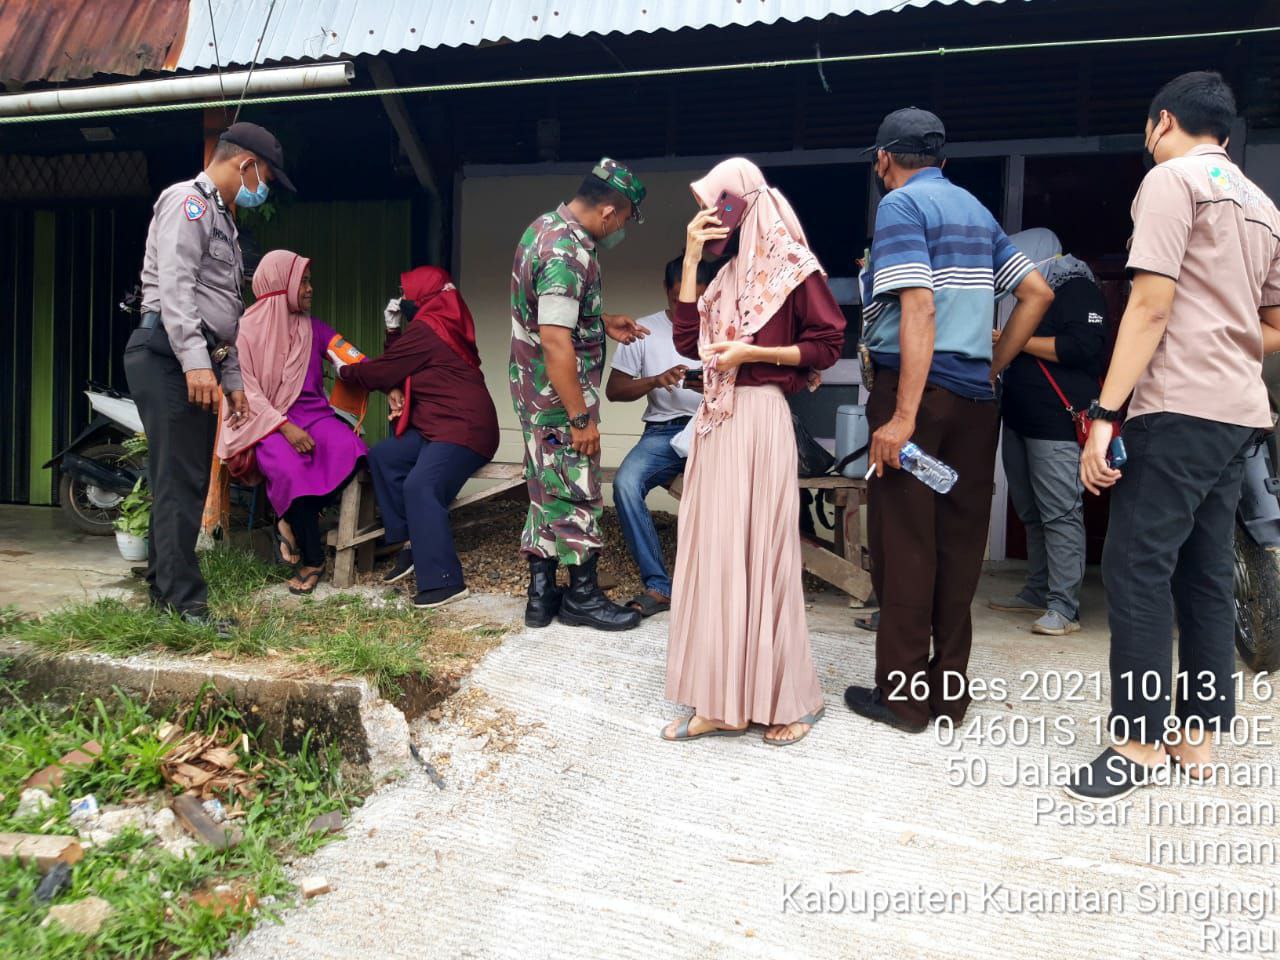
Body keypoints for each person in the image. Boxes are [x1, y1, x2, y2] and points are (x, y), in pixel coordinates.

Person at [1068, 72, 1280, 802]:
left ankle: (1137, 743)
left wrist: (1104, 412)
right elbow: (1275, 326)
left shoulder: (1171, 181)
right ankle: (1197, 737)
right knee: (1205, 572)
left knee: (1135, 567)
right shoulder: (1262, 205)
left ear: (1163, 122)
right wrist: (1223, 327)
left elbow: (1151, 304)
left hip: (1178, 405)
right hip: (1238, 412)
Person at [842, 107, 1054, 734]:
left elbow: (917, 306)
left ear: (885, 161)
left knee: (906, 544)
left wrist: (902, 415)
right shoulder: (976, 211)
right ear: (943, 161)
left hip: (919, 398)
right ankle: (949, 698)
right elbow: (1037, 292)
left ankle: (905, 703)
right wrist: (992, 366)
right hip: (974, 405)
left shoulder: (901, 208)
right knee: (960, 548)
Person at [662, 157, 846, 746]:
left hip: (761, 416)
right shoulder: (727, 274)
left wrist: (754, 356)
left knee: (763, 556)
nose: (712, 220)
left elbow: (826, 344)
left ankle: (790, 699)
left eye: (718, 209)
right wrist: (691, 258)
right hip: (718, 422)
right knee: (716, 555)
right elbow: (690, 341)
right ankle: (720, 701)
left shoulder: (792, 267)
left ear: (740, 206)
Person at [123, 122, 294, 633]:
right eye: (262, 175)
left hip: (196, 356)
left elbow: (225, 312)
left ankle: (166, 595)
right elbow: (175, 286)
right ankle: (186, 608)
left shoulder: (224, 220)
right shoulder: (187, 203)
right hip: (168, 355)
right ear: (245, 164)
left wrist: (233, 378)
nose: (260, 188)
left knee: (183, 482)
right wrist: (196, 362)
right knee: (180, 482)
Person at [510, 157, 651, 631]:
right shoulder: (567, 253)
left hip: (535, 399)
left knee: (544, 489)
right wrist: (580, 419)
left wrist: (600, 320)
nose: (623, 228)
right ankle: (583, 597)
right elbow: (554, 340)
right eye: (627, 218)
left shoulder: (543, 227)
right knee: (575, 491)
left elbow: (551, 314)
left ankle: (541, 595)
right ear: (610, 210)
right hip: (557, 403)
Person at [338, 267, 499, 609]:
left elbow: (384, 369)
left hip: (464, 428)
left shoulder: (428, 331)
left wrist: (344, 370)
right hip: (436, 426)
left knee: (420, 486)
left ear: (423, 296)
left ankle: (444, 582)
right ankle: (412, 541)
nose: (403, 298)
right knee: (384, 456)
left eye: (407, 291)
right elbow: (403, 364)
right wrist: (393, 331)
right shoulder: (438, 325)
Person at [215, 250, 368, 595]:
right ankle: (312, 560)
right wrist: (283, 426)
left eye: (309, 281)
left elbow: (353, 360)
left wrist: (390, 385)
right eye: (303, 282)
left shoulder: (313, 328)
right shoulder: (244, 331)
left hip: (315, 415)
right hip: (264, 420)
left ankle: (289, 520)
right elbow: (244, 390)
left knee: (352, 449)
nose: (310, 289)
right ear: (280, 285)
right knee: (290, 470)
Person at [989, 228, 1107, 636]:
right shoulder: (1023, 295)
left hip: (1057, 420)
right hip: (1020, 418)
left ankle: (1064, 607)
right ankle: (1038, 591)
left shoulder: (1076, 288)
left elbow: (1083, 348)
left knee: (1060, 511)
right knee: (1031, 511)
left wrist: (1015, 341)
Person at [606, 254, 718, 617]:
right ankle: (658, 585)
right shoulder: (645, 331)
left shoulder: (726, 326)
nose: (689, 307)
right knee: (625, 483)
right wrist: (655, 379)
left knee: (732, 491)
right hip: (665, 429)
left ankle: (723, 586)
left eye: (701, 300)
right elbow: (615, 390)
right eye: (679, 298)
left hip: (717, 424)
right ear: (668, 290)